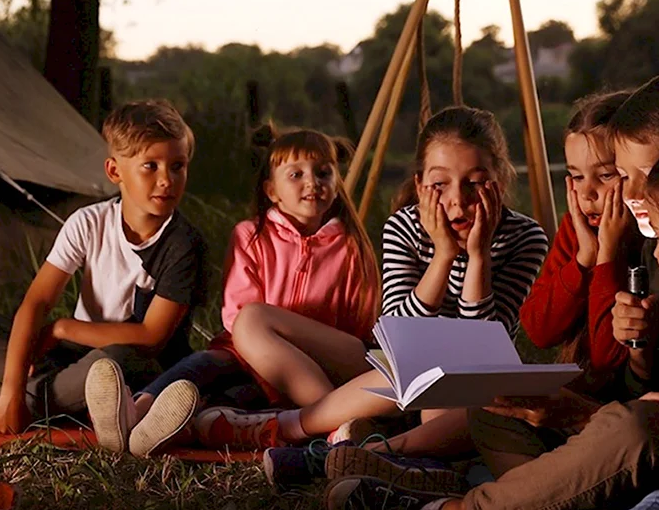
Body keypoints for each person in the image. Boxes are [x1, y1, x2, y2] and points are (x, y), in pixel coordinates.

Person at [323, 64, 659, 510]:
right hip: (634, 426)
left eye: (627, 176)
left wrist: (585, 410)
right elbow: (549, 334)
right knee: (495, 405)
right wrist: (638, 358)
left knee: (631, 427)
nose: (619, 194)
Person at [193, 107, 548, 465]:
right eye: (440, 184)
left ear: (499, 181)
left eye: (475, 182)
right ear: (421, 184)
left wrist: (479, 257)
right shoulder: (404, 227)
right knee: (252, 319)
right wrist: (442, 257)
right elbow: (396, 333)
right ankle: (333, 429)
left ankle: (355, 449)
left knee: (457, 405)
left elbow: (484, 342)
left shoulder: (526, 237)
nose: (458, 198)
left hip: (466, 381)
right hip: (392, 367)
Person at [95, 124, 380, 456]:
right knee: (204, 365)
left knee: (240, 377)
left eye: (323, 173)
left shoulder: (349, 246)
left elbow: (359, 321)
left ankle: (326, 419)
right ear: (272, 191)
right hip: (249, 351)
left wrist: (311, 352)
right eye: (296, 175)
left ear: (336, 183)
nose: (312, 182)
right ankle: (137, 412)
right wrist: (271, 356)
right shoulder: (251, 235)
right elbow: (236, 315)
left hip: (318, 362)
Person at [0, 100, 207, 437]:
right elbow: (37, 302)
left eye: (177, 166)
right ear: (115, 172)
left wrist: (62, 329)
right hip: (71, 357)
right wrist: (13, 386)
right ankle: (54, 400)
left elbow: (151, 337)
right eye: (150, 166)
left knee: (108, 364)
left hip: (136, 363)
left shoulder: (184, 244)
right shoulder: (89, 222)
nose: (166, 180)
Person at [519, 91, 636, 387]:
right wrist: (584, 257)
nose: (587, 193)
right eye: (578, 177)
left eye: (606, 175)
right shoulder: (577, 229)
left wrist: (606, 255)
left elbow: (606, 360)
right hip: (579, 386)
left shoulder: (651, 237)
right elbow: (538, 330)